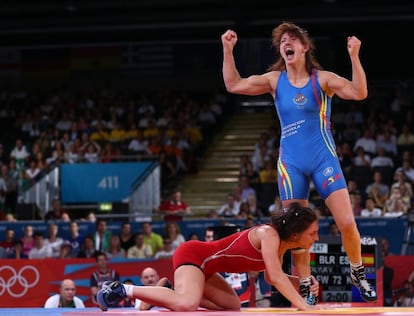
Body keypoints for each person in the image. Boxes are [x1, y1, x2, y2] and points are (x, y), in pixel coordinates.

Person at [220, 22, 376, 302]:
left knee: (347, 223)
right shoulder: (274, 80)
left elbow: (359, 92)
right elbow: (233, 84)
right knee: (296, 231)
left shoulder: (322, 79)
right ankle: (305, 284)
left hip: (322, 159)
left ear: (304, 47)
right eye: (283, 40)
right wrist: (228, 49)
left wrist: (354, 56)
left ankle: (357, 271)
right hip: (290, 164)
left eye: (292, 39)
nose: (286, 42)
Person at [96, 203, 320, 311]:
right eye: (312, 233)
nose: (316, 237)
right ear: (295, 234)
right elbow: (276, 276)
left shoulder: (280, 244)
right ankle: (120, 290)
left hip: (207, 269)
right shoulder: (268, 234)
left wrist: (302, 284)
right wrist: (305, 306)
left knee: (233, 306)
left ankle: (169, 291)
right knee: (187, 304)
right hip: (195, 256)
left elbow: (273, 279)